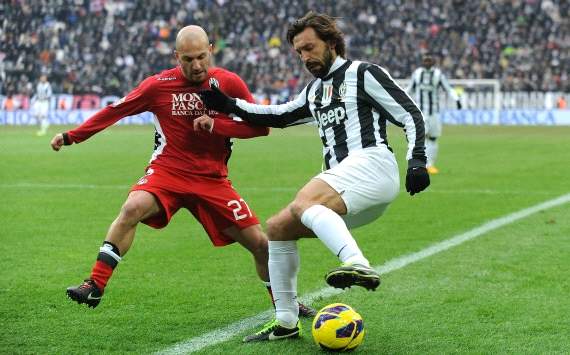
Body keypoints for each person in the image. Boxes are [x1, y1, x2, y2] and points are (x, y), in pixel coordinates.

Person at [50, 25, 315, 318]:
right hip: (168, 173)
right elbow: (116, 110)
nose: (197, 65)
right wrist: (72, 135)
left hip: (212, 180)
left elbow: (259, 127)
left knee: (262, 246)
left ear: (211, 49)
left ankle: (286, 305)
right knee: (131, 208)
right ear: (177, 56)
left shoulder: (228, 83)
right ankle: (95, 284)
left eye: (202, 56)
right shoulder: (157, 85)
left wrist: (218, 124)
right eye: (188, 59)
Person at [199, 12, 430, 342]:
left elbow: (411, 113)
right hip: (345, 185)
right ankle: (286, 322)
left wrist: (417, 159)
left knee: (304, 199)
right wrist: (228, 104)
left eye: (310, 47)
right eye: (299, 52)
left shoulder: (363, 74)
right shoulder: (314, 91)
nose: (305, 57)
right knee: (279, 227)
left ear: (332, 42)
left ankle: (357, 263)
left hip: (372, 165)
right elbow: (278, 115)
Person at [407, 53, 461, 174]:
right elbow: (409, 89)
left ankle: (430, 165)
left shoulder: (438, 75)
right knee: (420, 139)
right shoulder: (417, 74)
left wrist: (456, 99)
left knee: (433, 138)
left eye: (429, 60)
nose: (426, 62)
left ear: (433, 62)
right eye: (425, 60)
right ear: (422, 61)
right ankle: (420, 164)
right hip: (420, 112)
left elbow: (448, 88)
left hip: (434, 113)